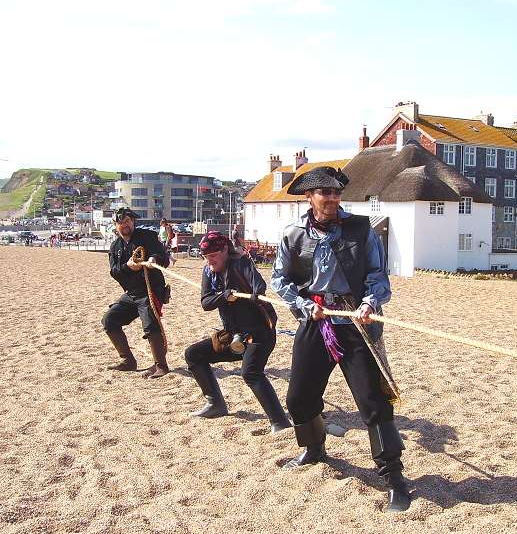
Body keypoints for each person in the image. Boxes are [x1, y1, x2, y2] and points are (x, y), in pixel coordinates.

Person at [271, 166, 411, 513]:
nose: (332, 198)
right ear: (310, 197)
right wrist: (305, 305)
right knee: (299, 397)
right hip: (316, 320)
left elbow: (378, 275)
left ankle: (394, 479)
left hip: (354, 322)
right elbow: (280, 280)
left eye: (336, 193)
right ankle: (314, 449)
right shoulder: (293, 234)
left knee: (373, 402)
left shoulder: (361, 229)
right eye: (325, 193)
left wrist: (369, 302)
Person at [183, 231, 291, 432]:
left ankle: (280, 422)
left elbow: (259, 285)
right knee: (193, 354)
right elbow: (206, 302)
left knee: (250, 372)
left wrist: (253, 294)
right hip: (233, 335)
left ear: (225, 250)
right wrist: (225, 296)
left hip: (260, 334)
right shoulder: (209, 271)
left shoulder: (241, 264)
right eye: (206, 257)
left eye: (213, 256)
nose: (210, 261)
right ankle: (215, 404)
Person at [102, 207, 170, 377]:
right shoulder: (115, 246)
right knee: (109, 320)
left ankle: (161, 366)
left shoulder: (147, 237)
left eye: (127, 221)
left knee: (150, 324)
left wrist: (154, 259)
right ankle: (128, 361)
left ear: (133, 222)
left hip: (151, 290)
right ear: (115, 225)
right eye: (120, 222)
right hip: (131, 293)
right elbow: (114, 272)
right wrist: (128, 267)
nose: (124, 225)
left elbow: (163, 257)